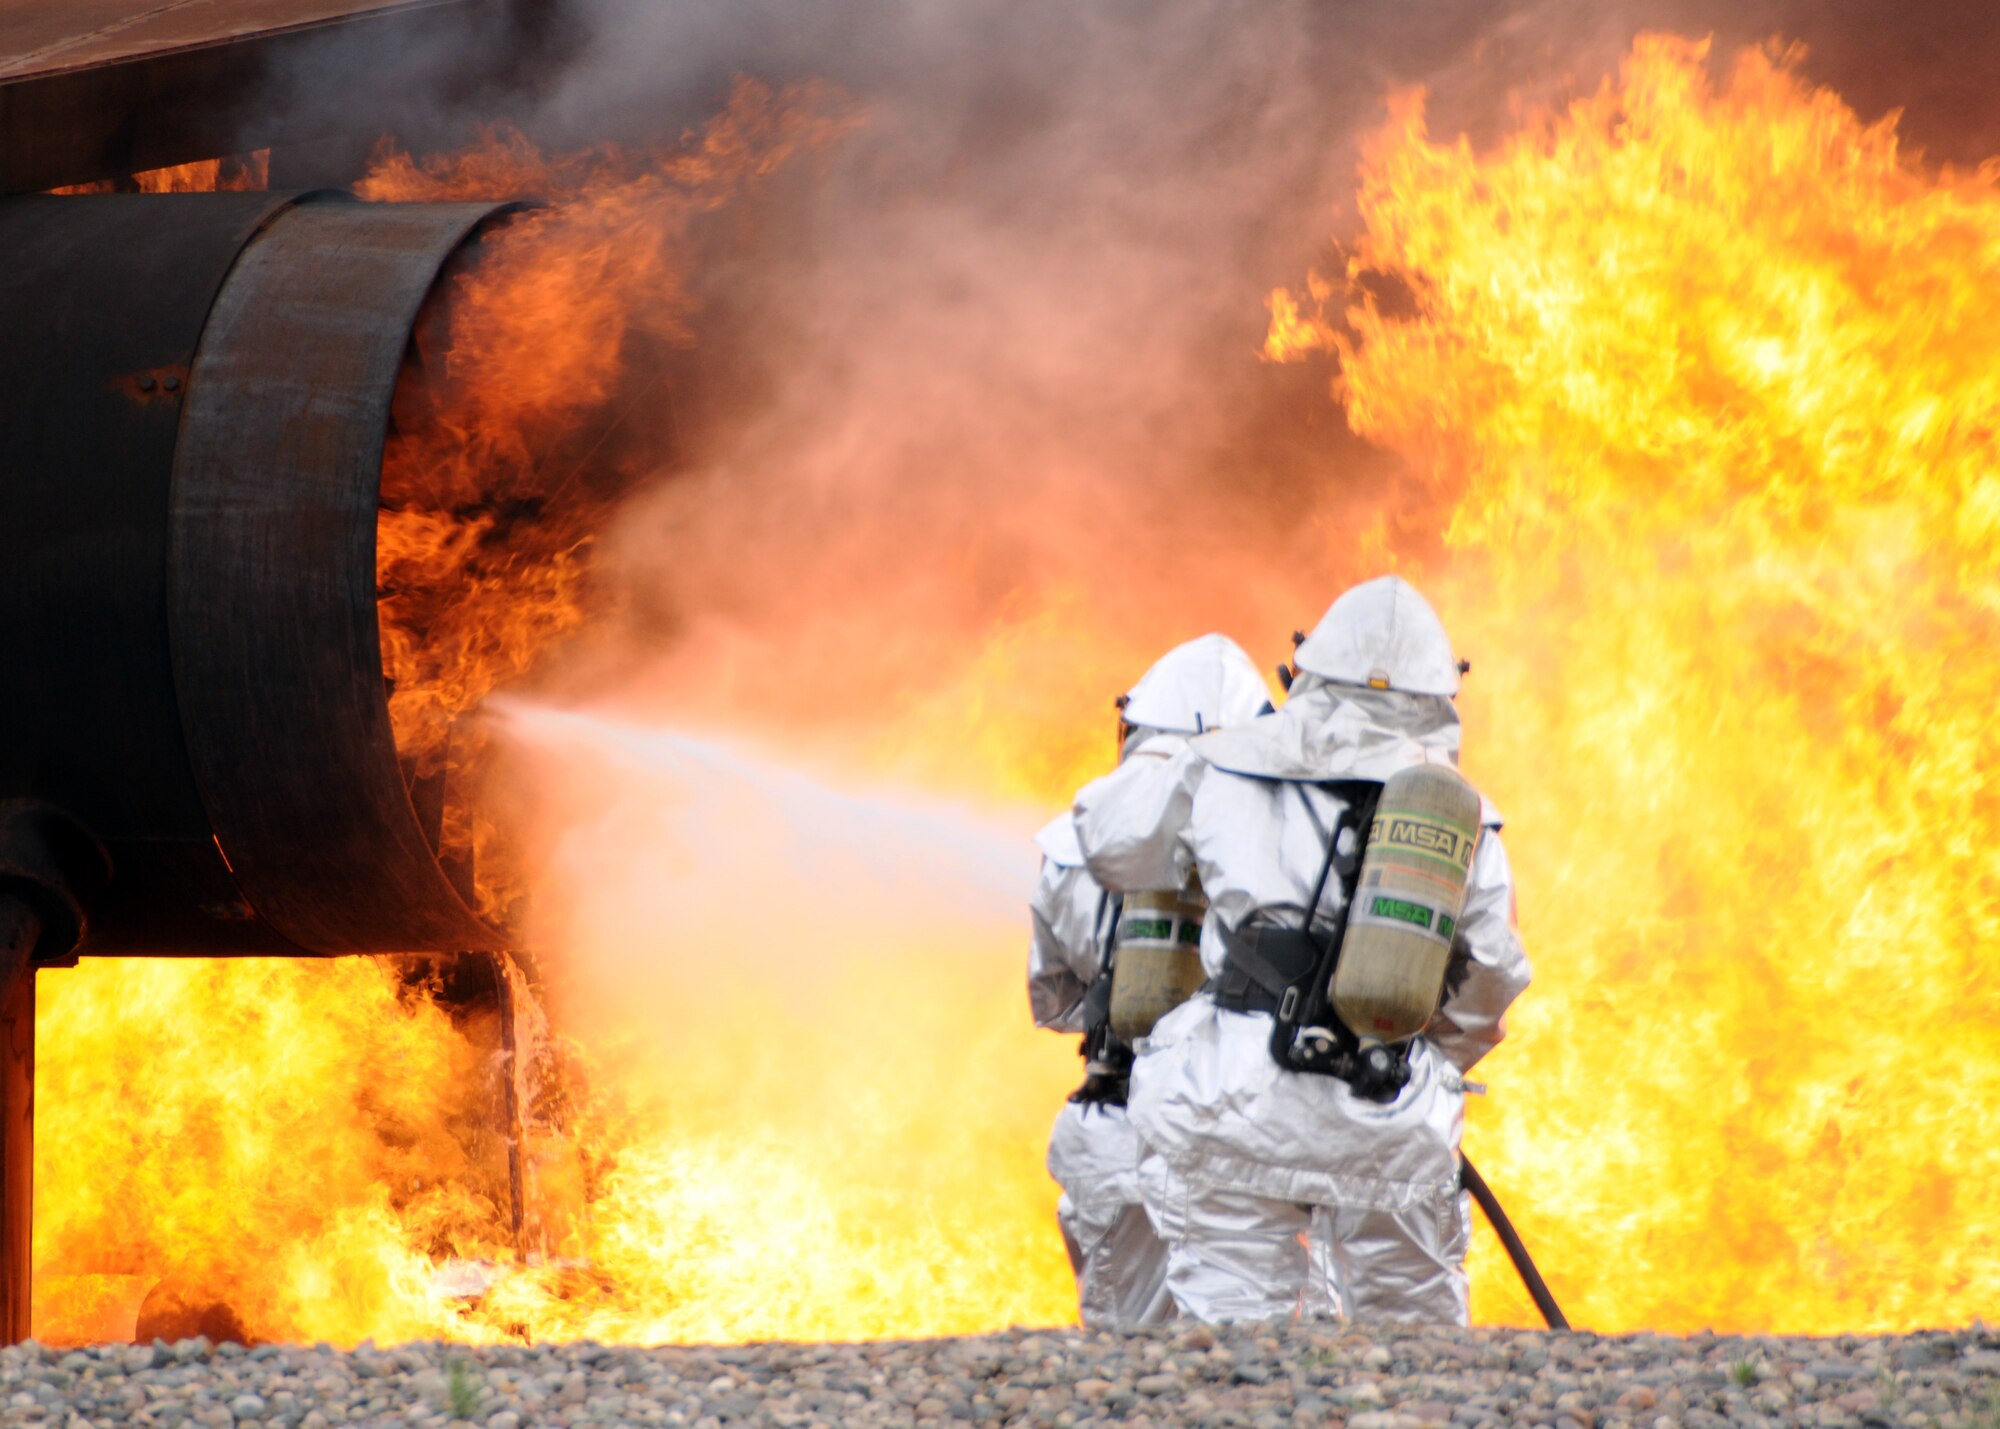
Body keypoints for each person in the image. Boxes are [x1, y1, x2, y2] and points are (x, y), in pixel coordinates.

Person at [1073, 576, 1530, 1325]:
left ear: (1306, 668)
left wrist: (1160, 756)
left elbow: (1114, 846)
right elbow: (1491, 977)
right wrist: (1422, 1062)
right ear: (1443, 695)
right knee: (1412, 1331)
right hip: (1388, 1103)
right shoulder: (1463, 815)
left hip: (1232, 1096)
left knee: (1232, 1328)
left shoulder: (1221, 762)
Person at [1028, 632, 1270, 1331]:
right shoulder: (1281, 829)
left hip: (1115, 1122)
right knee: (1261, 1354)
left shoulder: (1077, 839)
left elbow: (1054, 996)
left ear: (1136, 725)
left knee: (1127, 1357)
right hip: (1243, 1128)